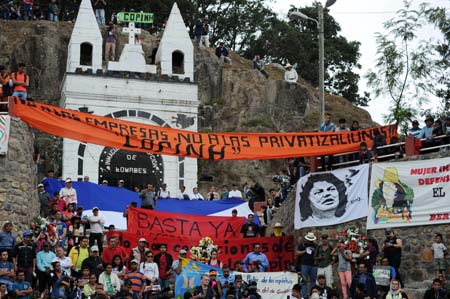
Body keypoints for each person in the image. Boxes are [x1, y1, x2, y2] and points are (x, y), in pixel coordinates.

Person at [296, 232, 318, 299]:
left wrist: (315, 251)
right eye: (309, 240)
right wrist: (305, 251)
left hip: (313, 265)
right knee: (304, 280)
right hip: (304, 264)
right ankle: (304, 296)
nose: (310, 241)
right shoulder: (302, 245)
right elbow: (297, 253)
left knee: (313, 281)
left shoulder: (315, 245)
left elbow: (318, 254)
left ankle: (313, 295)